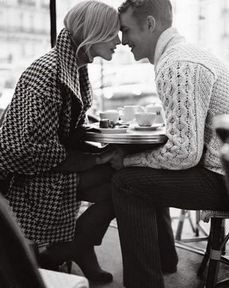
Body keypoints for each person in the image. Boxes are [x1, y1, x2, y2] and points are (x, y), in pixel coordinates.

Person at [110, 0, 229, 287]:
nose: (122, 39)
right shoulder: (187, 53)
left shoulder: (177, 64)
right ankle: (165, 259)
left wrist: (127, 160)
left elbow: (183, 154)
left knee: (126, 181)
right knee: (149, 172)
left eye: (127, 30)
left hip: (228, 179)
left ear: (151, 24)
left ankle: (145, 282)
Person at [0, 0, 120, 284]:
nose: (120, 40)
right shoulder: (47, 73)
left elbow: (65, 130)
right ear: (94, 32)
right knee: (124, 183)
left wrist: (99, 146)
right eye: (113, 32)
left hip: (47, 167)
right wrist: (96, 158)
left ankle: (77, 245)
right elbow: (18, 150)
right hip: (25, 179)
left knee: (126, 178)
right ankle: (74, 245)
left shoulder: (74, 67)